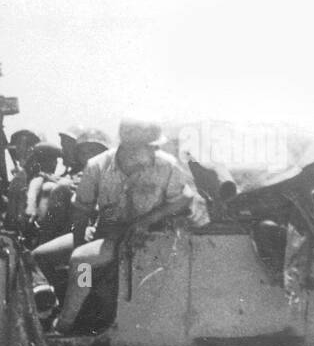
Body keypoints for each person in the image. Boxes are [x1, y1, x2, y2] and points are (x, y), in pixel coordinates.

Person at [36, 118, 205, 334]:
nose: (154, 150)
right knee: (41, 256)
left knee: (81, 263)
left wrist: (147, 220)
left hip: (145, 238)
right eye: (150, 146)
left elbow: (182, 199)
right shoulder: (98, 165)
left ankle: (66, 323)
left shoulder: (166, 165)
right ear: (129, 145)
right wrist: (81, 239)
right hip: (106, 233)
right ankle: (76, 303)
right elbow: (82, 209)